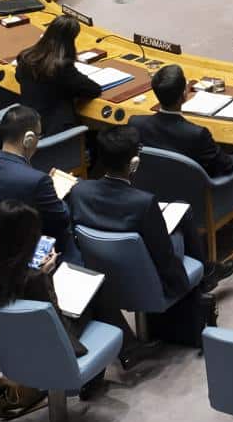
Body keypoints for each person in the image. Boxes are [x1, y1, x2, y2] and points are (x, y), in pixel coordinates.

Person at [67, 126, 206, 344]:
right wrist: (180, 283)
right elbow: (163, 255)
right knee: (182, 215)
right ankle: (204, 279)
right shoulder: (143, 202)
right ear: (134, 163)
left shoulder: (79, 191)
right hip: (149, 282)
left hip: (105, 284)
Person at [0, 198, 85, 415]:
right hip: (46, 345)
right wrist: (46, 277)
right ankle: (86, 384)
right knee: (93, 298)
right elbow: (54, 321)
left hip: (0, 341)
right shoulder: (34, 279)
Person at [0, 105, 74, 246]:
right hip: (27, 246)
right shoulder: (38, 180)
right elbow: (61, 220)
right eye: (39, 135)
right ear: (28, 139)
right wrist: (59, 196)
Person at [133, 64, 232, 178]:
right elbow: (226, 165)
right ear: (184, 95)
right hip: (194, 192)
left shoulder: (136, 123)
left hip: (149, 186)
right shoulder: (197, 134)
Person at [13, 14, 101, 142]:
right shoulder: (62, 68)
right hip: (54, 132)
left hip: (28, 125)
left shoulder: (26, 57)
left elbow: (18, 78)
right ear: (70, 40)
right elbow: (94, 90)